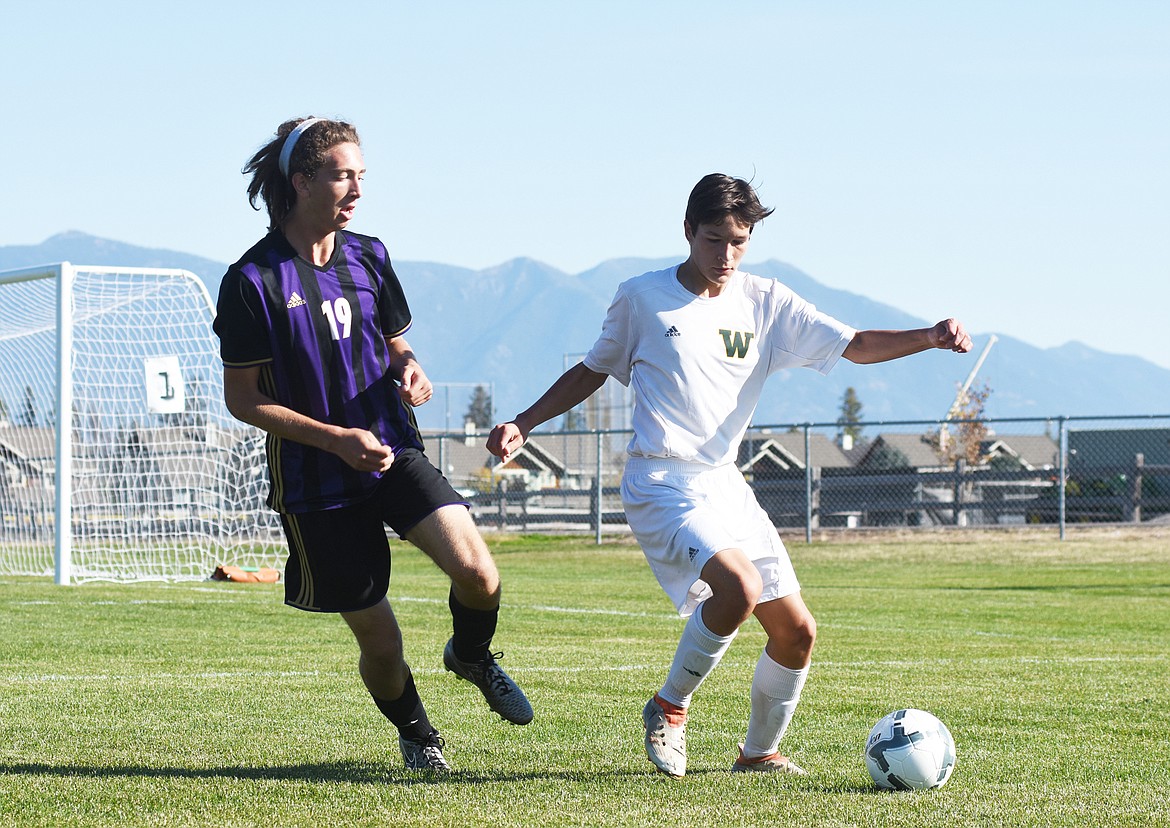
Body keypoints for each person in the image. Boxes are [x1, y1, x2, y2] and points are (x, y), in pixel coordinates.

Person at [487, 173, 971, 778]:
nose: (726, 255)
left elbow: (856, 344)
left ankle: (758, 754)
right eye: (714, 239)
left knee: (796, 633)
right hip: (660, 482)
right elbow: (592, 369)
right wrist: (524, 423)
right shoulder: (641, 297)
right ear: (688, 231)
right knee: (737, 590)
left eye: (739, 241)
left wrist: (927, 336)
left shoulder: (767, 302)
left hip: (724, 484)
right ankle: (668, 707)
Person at [214, 116, 533, 773]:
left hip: (392, 452)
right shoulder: (252, 281)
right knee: (381, 643)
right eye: (342, 174)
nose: (357, 187)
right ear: (301, 182)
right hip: (314, 482)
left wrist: (410, 367)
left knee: (479, 574)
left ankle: (471, 655)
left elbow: (394, 345)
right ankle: (419, 736)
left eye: (362, 174)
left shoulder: (370, 257)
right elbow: (243, 400)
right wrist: (334, 439)